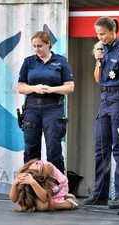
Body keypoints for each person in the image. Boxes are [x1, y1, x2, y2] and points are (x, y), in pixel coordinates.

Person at [83, 17, 119, 209]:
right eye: (98, 34)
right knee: (101, 149)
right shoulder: (101, 49)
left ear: (113, 30)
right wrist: (98, 61)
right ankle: (100, 194)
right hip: (104, 100)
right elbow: (98, 79)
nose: (100, 37)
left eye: (103, 33)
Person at [17, 31, 74, 174]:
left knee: (54, 149)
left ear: (48, 44)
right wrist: (34, 88)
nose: (37, 49)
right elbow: (20, 87)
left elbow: (70, 87)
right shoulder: (29, 62)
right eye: (34, 46)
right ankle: (30, 188)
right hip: (32, 108)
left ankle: (57, 188)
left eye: (40, 46)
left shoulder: (60, 61)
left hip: (53, 107)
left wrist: (52, 89)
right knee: (31, 150)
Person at [9, 159, 78, 212]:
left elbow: (44, 198)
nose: (36, 163)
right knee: (25, 204)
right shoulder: (22, 174)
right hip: (37, 190)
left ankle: (66, 203)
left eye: (37, 165)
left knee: (42, 206)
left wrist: (32, 182)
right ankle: (33, 202)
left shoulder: (47, 170)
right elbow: (14, 199)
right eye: (33, 164)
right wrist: (15, 184)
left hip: (55, 188)